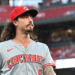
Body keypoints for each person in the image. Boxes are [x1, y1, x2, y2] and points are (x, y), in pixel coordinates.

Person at [0, 6, 56, 75]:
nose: (30, 20)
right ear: (15, 22)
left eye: (31, 17)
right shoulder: (2, 48)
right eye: (25, 17)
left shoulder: (43, 48)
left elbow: (49, 72)